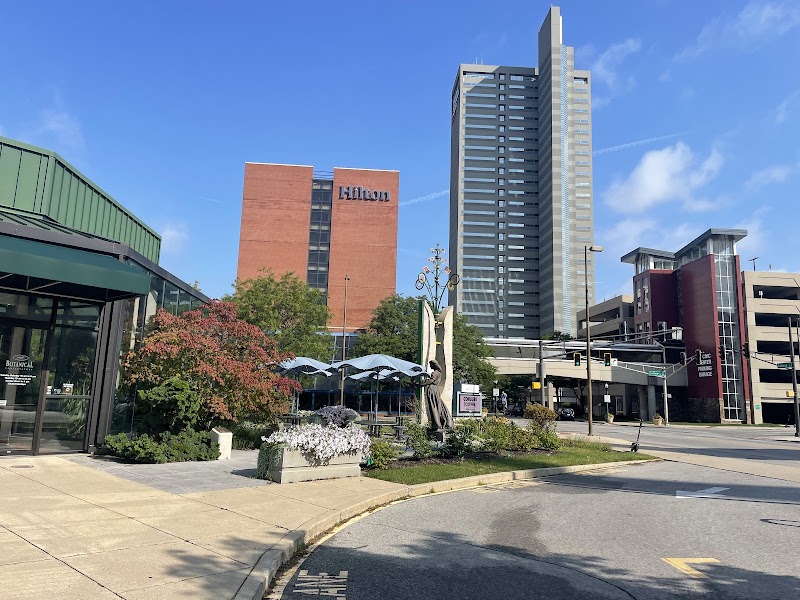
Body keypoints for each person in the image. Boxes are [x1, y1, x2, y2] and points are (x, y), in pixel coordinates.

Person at [417, 360, 454, 430]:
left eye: (431, 364)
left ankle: (436, 424)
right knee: (436, 405)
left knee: (433, 406)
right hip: (435, 390)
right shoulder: (439, 373)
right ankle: (437, 423)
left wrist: (421, 384)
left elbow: (431, 380)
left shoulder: (434, 373)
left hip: (432, 390)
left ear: (434, 365)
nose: (430, 366)